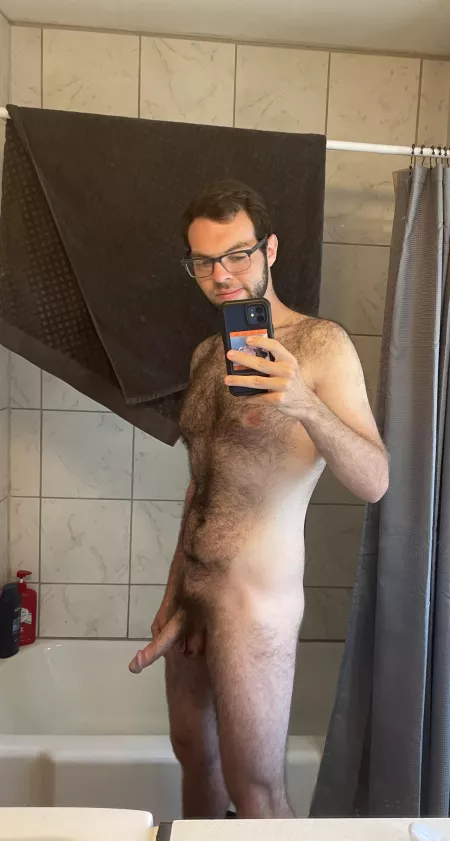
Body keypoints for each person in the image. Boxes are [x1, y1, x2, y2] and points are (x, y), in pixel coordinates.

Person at [129, 180, 389, 819]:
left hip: (254, 603)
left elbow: (376, 479)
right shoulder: (205, 356)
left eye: (237, 255)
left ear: (269, 250)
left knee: (257, 790)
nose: (222, 275)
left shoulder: (321, 345)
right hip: (193, 596)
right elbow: (202, 486)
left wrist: (303, 403)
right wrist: (173, 595)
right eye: (204, 262)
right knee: (194, 755)